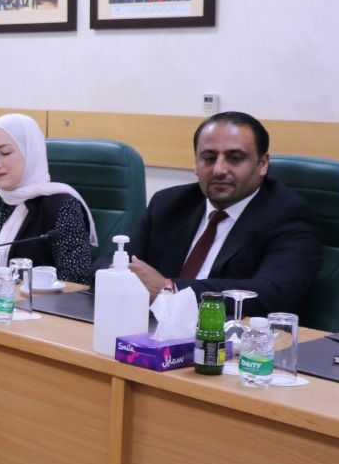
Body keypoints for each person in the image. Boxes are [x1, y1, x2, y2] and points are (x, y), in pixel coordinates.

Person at [104, 112, 322, 316]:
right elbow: (106, 262)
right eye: (209, 158)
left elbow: (273, 292)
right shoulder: (169, 203)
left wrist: (169, 288)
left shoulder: (287, 214)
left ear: (263, 164)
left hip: (230, 334)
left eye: (235, 158)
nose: (219, 170)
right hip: (152, 326)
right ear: (196, 163)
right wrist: (118, 275)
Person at [0, 114, 97, 284]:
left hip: (31, 301)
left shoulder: (62, 207)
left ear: (31, 153)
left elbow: (76, 283)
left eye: (5, 153)